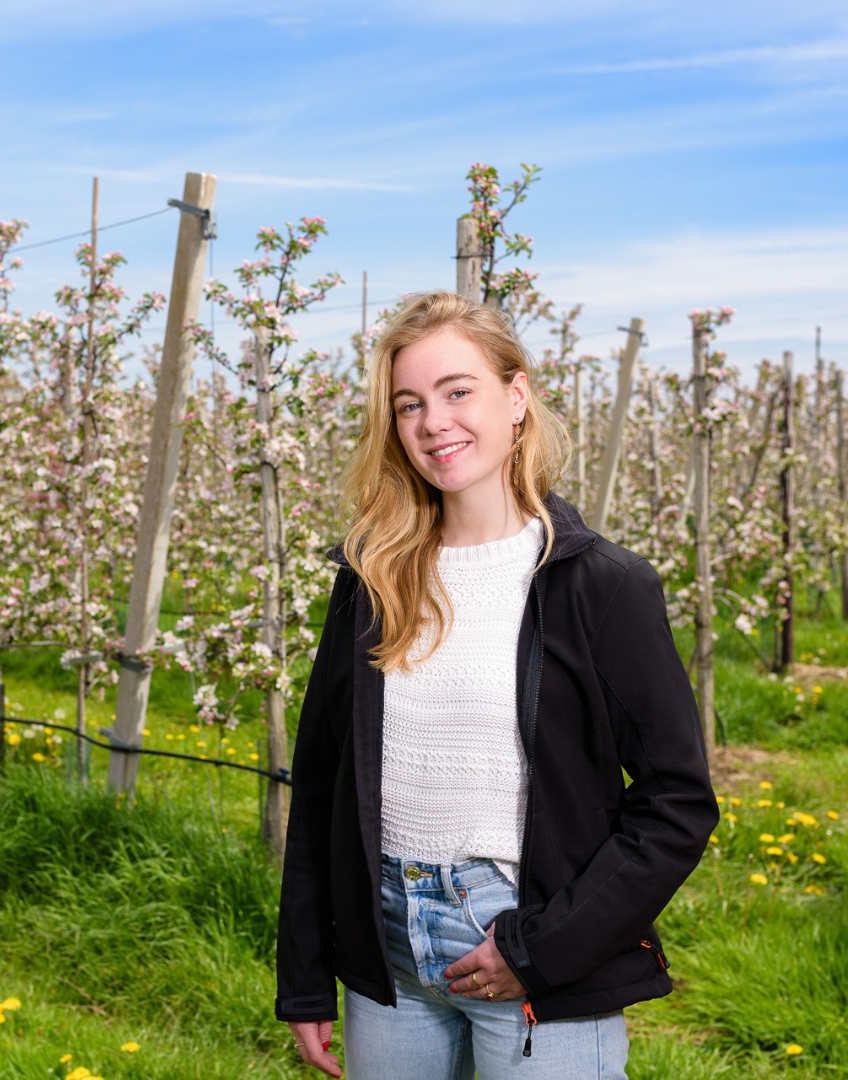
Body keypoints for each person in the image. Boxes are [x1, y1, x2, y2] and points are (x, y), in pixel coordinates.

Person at [275, 291, 719, 1079]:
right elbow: (320, 784)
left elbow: (677, 803)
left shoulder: (599, 586)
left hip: (528, 938)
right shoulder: (371, 577)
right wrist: (307, 975)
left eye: (457, 391)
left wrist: (541, 949)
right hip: (386, 951)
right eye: (408, 404)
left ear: (516, 397)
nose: (432, 423)